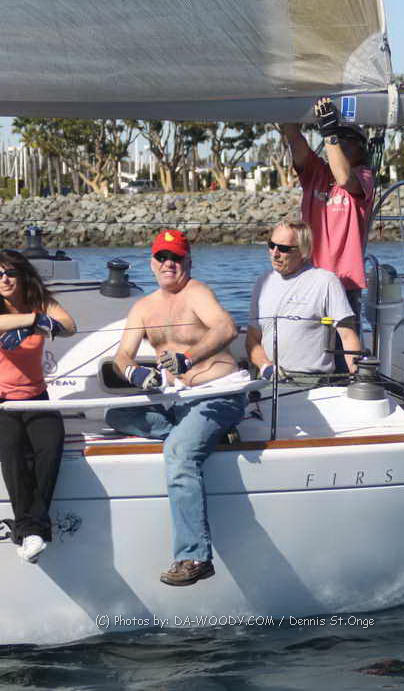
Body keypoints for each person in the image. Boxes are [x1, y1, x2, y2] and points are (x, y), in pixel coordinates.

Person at [106, 229, 247, 587]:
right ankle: (210, 436)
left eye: (176, 258)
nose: (169, 263)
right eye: (162, 257)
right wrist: (135, 373)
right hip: (177, 400)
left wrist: (188, 358)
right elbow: (122, 356)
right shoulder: (143, 307)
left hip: (217, 395)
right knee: (115, 415)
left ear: (188, 262)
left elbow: (227, 328)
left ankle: (195, 557)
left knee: (179, 453)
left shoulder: (197, 293)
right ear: (151, 262)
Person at [0, 249, 76, 563]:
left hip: (35, 399)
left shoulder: (40, 301)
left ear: (22, 275)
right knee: (12, 444)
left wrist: (39, 320)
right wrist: (33, 321)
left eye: (10, 273)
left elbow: (69, 326)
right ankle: (31, 530)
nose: (4, 279)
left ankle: (32, 531)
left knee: (51, 443)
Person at [280, 96, 376, 320]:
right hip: (308, 277)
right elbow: (293, 136)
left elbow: (344, 178)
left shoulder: (364, 176)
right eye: (337, 138)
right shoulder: (316, 172)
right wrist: (292, 100)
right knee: (309, 336)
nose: (339, 144)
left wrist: (330, 134)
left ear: (360, 147)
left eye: (345, 139)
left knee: (345, 339)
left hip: (344, 282)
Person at [247, 220, 363, 382]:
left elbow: (348, 336)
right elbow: (252, 338)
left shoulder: (326, 281)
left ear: (303, 251)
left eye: (284, 249)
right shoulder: (262, 282)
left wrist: (359, 379)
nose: (275, 253)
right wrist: (266, 367)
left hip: (312, 381)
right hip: (267, 379)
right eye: (271, 245)